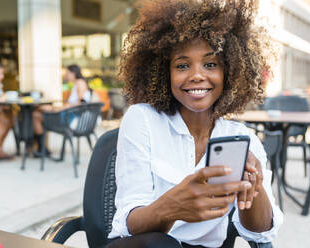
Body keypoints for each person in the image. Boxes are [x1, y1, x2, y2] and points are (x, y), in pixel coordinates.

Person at [106, 0, 283, 247]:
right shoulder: (142, 119)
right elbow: (129, 225)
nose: (197, 75)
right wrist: (172, 208)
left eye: (210, 64)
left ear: (230, 71)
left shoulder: (244, 139)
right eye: (182, 65)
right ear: (163, 72)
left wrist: (255, 188)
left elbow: (261, 233)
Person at [32, 64, 100, 156]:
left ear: (74, 73)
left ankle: (41, 148)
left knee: (36, 115)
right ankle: (42, 148)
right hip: (73, 117)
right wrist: (54, 109)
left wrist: (53, 109)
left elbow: (79, 104)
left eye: (67, 73)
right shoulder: (78, 83)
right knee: (38, 114)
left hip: (73, 120)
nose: (65, 76)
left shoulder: (80, 83)